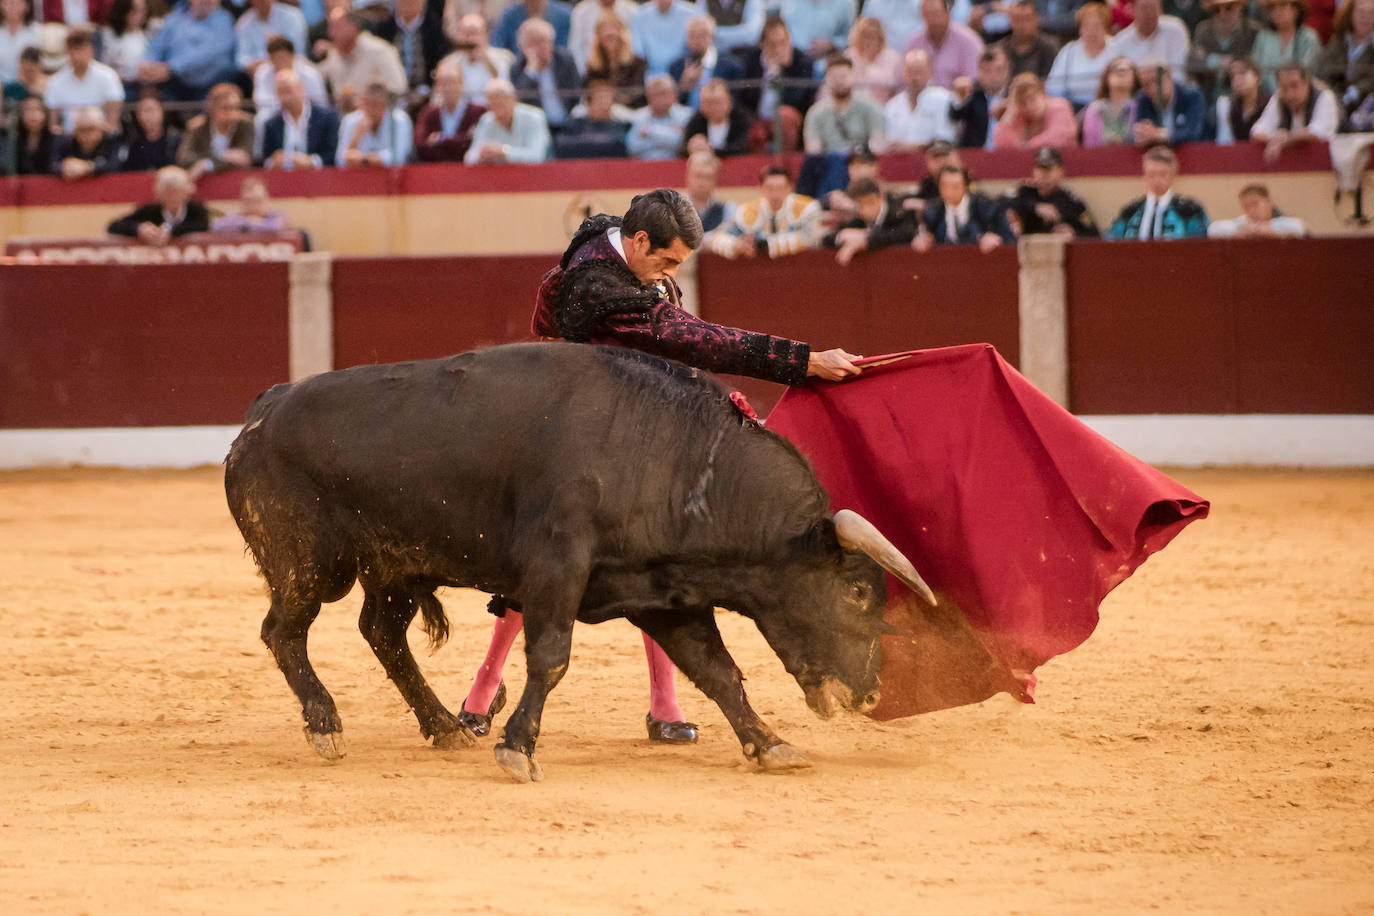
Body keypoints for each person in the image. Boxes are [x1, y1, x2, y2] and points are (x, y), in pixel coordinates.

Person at [456, 187, 864, 745]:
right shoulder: (594, 285)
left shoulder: (624, 248)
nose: (668, 273)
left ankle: (665, 704)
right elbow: (687, 337)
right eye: (666, 261)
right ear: (639, 240)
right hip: (565, 437)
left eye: (678, 265)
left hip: (628, 433)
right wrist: (801, 360)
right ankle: (484, 686)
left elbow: (679, 333)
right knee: (546, 559)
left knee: (661, 555)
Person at [709, 163, 825, 258]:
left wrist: (765, 245)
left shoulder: (807, 209)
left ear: (790, 188)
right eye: (770, 188)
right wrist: (736, 245)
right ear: (761, 189)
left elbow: (810, 238)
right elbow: (716, 237)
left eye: (780, 188)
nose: (775, 194)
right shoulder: (748, 211)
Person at [738, 15, 817, 152]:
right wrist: (769, 73)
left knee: (784, 116)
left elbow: (796, 100)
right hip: (757, 116)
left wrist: (781, 72)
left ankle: (785, 164)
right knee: (750, 126)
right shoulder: (752, 59)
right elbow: (745, 96)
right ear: (763, 44)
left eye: (783, 42)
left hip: (786, 117)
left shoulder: (802, 61)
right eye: (773, 44)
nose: (778, 48)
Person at [137, 0, 238, 102]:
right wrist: (148, 65)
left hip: (212, 84)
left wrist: (171, 67)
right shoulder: (173, 19)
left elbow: (209, 53)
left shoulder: (224, 20)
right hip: (175, 83)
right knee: (145, 89)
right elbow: (156, 46)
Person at [1105, 145, 1209, 239]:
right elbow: (1111, 242)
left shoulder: (1189, 211)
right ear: (1145, 175)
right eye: (1151, 174)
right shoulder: (1130, 212)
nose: (1156, 180)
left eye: (1163, 174)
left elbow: (1199, 245)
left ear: (1173, 176)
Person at [318, 9, 409, 111]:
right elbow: (315, 75)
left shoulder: (380, 51)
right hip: (344, 120)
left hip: (378, 118)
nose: (331, 34)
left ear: (353, 27)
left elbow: (398, 88)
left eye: (336, 27)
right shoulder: (334, 55)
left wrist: (368, 101)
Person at [1250, 61, 1341, 159]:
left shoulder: (1324, 97)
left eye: (1294, 86)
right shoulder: (1278, 99)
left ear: (1306, 83)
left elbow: (1318, 132)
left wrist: (1288, 137)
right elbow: (1257, 131)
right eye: (1284, 88)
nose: (1290, 94)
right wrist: (1273, 139)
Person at [913, 163, 1014, 251]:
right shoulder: (932, 212)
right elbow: (923, 237)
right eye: (945, 186)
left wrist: (997, 239)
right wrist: (921, 241)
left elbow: (1010, 239)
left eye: (955, 186)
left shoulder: (987, 207)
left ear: (965, 187)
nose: (949, 191)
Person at [1002, 146, 1099, 237]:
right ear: (1034, 171)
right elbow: (1001, 204)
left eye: (1049, 168)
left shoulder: (1070, 201)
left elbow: (1094, 234)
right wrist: (1035, 206)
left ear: (1061, 172)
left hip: (1057, 251)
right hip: (1026, 249)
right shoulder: (1025, 192)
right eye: (1040, 168)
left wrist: (1074, 233)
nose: (1044, 173)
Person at [44, 27, 124, 133]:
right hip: (69, 138)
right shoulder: (56, 81)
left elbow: (112, 123)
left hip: (100, 135)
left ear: (91, 50)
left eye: (81, 50)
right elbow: (53, 124)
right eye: (73, 51)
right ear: (68, 52)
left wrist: (88, 126)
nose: (77, 56)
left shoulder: (109, 76)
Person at [803, 53, 886, 154]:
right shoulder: (816, 112)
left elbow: (879, 145)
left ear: (853, 76)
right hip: (829, 165)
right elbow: (813, 150)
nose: (839, 81)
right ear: (826, 79)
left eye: (843, 76)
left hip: (862, 163)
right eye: (834, 77)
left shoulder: (870, 108)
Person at [107, 165, 211, 244]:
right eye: (167, 192)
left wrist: (172, 233)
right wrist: (139, 229)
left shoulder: (197, 209)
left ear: (186, 193)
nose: (173, 197)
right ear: (159, 194)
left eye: (177, 192)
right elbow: (113, 226)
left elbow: (202, 226)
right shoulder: (150, 210)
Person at [830, 176, 921, 265]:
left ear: (881, 197)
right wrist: (842, 236)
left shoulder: (899, 211)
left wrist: (866, 239)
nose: (865, 210)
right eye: (860, 205)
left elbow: (904, 233)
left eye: (869, 202)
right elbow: (827, 239)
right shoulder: (858, 218)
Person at [510, 16, 580, 130]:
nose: (541, 47)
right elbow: (518, 101)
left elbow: (576, 94)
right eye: (534, 43)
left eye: (544, 41)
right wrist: (531, 71)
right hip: (536, 129)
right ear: (523, 47)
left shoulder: (565, 61)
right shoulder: (519, 67)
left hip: (567, 126)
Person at [261, 68, 341, 167]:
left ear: (301, 89)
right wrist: (274, 162)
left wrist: (311, 162)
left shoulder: (327, 118)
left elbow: (333, 155)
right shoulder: (272, 124)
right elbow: (265, 160)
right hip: (284, 178)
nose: (286, 97)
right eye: (280, 92)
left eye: (288, 91)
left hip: (319, 177)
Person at [176, 82, 255, 181]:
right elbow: (184, 158)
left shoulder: (246, 124)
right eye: (226, 108)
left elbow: (245, 158)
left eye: (236, 108)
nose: (232, 114)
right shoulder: (197, 126)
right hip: (204, 183)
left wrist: (208, 164)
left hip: (237, 180)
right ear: (212, 108)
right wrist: (223, 157)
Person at [882, 48, 958, 150]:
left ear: (930, 73)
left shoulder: (944, 99)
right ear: (904, 74)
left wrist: (912, 147)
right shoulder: (893, 105)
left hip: (932, 160)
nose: (915, 78)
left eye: (919, 72)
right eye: (910, 72)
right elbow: (886, 142)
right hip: (899, 161)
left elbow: (945, 141)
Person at [373, 0, 452, 97]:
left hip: (426, 92)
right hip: (392, 92)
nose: (408, 4)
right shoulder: (384, 29)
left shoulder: (435, 29)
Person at [1187, 0, 1263, 99]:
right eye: (1216, 10)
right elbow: (1194, 62)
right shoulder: (1203, 30)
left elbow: (1255, 64)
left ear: (1239, 8)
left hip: (1243, 96)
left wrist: (1232, 63)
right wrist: (1217, 61)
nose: (1222, 14)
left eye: (1229, 8)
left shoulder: (1252, 30)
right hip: (1209, 95)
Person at [465, 76, 553, 162]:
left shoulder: (534, 117)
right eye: (493, 101)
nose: (498, 105)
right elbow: (469, 158)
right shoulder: (487, 120)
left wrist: (504, 151)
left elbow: (536, 156)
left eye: (502, 99)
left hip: (534, 174)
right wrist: (481, 154)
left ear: (513, 99)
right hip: (499, 174)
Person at [412, 58, 485, 161]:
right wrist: (460, 140)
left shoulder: (478, 112)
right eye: (443, 83)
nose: (448, 88)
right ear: (437, 86)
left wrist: (441, 139)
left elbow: (473, 144)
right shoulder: (428, 113)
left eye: (452, 82)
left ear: (461, 84)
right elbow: (421, 145)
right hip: (436, 172)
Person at [668, 14, 746, 109]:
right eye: (692, 35)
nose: (697, 40)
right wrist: (684, 85)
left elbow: (736, 102)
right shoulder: (676, 66)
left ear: (712, 37)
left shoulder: (732, 65)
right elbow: (672, 105)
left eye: (702, 35)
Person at [1045, 1, 1113, 109]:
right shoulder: (1069, 50)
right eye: (1087, 26)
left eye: (1097, 26)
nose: (1092, 31)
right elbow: (1053, 86)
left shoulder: (1115, 48)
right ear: (1080, 29)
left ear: (1106, 27)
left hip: (1107, 107)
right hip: (1072, 107)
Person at [1105, 0, 1190, 82]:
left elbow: (1180, 72)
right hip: (1137, 94)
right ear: (1133, 9)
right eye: (1144, 8)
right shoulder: (1121, 41)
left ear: (1160, 8)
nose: (1149, 13)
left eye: (1153, 8)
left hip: (1174, 91)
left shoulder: (1176, 30)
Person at [907, 0, 985, 89]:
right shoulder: (915, 43)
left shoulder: (968, 41)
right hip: (922, 99)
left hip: (959, 100)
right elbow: (904, 81)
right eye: (927, 15)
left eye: (936, 14)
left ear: (947, 13)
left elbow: (976, 81)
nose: (932, 20)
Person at [1131, 57, 1208, 144]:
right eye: (1145, 84)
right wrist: (1141, 134)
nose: (1152, 88)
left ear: (1169, 75)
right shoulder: (1143, 99)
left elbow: (1194, 134)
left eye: (1156, 81)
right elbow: (1134, 135)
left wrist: (1160, 135)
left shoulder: (1192, 95)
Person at [443, 13, 514, 105]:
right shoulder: (449, 63)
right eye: (465, 33)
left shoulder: (504, 58)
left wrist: (485, 61)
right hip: (464, 116)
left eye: (474, 33)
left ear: (485, 35)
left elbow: (506, 89)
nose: (469, 39)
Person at [992, 71, 1077, 148]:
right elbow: (1001, 145)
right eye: (1022, 102)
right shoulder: (1019, 114)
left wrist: (1027, 146)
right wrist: (1010, 111)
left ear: (1042, 93)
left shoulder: (1060, 106)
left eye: (1032, 99)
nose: (1029, 106)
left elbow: (1057, 138)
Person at [337, 81, 414, 166]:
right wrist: (356, 137)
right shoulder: (350, 121)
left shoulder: (399, 120)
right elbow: (341, 161)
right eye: (367, 104)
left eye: (376, 105)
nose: (371, 110)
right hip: (357, 177)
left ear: (385, 105)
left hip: (392, 177)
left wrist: (363, 160)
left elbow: (397, 158)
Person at [1251, 0, 1321, 92]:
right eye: (1273, 8)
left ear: (1296, 9)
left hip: (1298, 96)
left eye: (1283, 6)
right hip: (1265, 98)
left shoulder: (1308, 37)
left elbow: (1307, 73)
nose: (1277, 11)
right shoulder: (1263, 37)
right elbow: (1255, 70)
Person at [1317, 0, 1374, 112]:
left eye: (1371, 13)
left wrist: (1357, 90)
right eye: (1361, 12)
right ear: (1350, 14)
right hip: (1335, 101)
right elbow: (1325, 72)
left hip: (1366, 105)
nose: (1365, 17)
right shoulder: (1338, 41)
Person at [252, 36, 331, 116]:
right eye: (274, 59)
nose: (279, 63)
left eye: (282, 58)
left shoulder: (310, 75)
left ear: (292, 56)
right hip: (276, 119)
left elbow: (321, 104)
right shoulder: (262, 73)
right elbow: (261, 103)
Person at [236, 0, 310, 82]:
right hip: (257, 73)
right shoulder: (244, 23)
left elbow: (297, 50)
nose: (263, 2)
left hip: (292, 68)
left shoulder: (293, 16)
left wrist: (273, 59)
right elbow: (241, 58)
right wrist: (256, 64)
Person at [584, 10, 646, 106]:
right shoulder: (593, 66)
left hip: (630, 111)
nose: (610, 33)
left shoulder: (637, 63)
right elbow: (589, 95)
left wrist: (609, 97)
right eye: (604, 30)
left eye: (614, 29)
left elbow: (637, 95)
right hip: (601, 113)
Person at [951, 45, 1009, 147]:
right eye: (987, 70)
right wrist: (959, 99)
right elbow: (955, 115)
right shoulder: (973, 95)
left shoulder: (1014, 95)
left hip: (1008, 153)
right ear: (978, 72)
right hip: (976, 155)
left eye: (998, 69)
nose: (993, 75)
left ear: (1006, 70)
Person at [552, 78, 630, 156]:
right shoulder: (575, 126)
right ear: (589, 104)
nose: (605, 105)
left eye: (608, 99)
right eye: (600, 100)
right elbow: (560, 145)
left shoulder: (620, 127)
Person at [681, 75, 755, 156]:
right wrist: (691, 148)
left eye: (717, 102)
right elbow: (682, 148)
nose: (713, 108)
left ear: (729, 102)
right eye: (707, 103)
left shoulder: (742, 119)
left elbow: (744, 146)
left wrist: (711, 150)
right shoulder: (696, 121)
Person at [626, 73, 691, 158]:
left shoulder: (686, 115)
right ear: (648, 97)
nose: (660, 98)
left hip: (675, 167)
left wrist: (650, 133)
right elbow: (632, 147)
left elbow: (681, 145)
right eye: (655, 94)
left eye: (664, 93)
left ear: (674, 95)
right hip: (645, 167)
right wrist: (670, 134)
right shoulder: (638, 116)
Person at [1206, 182, 1307, 236]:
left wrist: (1256, 229)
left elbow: (1297, 227)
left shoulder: (1281, 221)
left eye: (1255, 204)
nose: (1251, 210)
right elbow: (1213, 229)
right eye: (1246, 206)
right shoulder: (1242, 223)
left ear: (1269, 202)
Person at [1082, 55, 1141, 146]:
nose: (1121, 71)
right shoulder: (1095, 108)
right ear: (1106, 78)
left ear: (1135, 77)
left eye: (1126, 70)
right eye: (1116, 69)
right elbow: (1090, 143)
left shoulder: (1142, 105)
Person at [843, 16, 904, 104]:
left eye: (872, 36)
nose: (868, 41)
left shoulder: (893, 58)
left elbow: (900, 90)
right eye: (864, 36)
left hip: (883, 108)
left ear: (880, 38)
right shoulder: (848, 57)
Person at [994, 0, 1059, 80]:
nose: (1021, 25)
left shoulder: (1049, 47)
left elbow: (1051, 82)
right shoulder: (1001, 48)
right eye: (1016, 19)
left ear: (1036, 18)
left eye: (1027, 19)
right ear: (1010, 20)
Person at [629, 0, 696, 77]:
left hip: (683, 73)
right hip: (648, 75)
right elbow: (637, 50)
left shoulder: (691, 13)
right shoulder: (640, 14)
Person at [568, 0, 637, 74]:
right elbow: (575, 48)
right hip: (591, 70)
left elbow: (636, 47)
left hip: (628, 70)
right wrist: (584, 75)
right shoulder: (581, 11)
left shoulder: (632, 10)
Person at [119, 91, 181, 171]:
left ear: (162, 112)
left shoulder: (176, 139)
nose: (145, 116)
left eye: (150, 110)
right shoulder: (133, 143)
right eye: (140, 112)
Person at [54, 105, 120, 180]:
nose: (87, 135)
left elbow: (115, 165)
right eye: (82, 130)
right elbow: (52, 165)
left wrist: (88, 167)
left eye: (91, 129)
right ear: (75, 131)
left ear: (101, 128)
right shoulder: (66, 141)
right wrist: (65, 167)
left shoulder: (111, 140)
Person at [1214, 56, 1271, 141]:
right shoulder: (1229, 107)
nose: (1237, 79)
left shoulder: (1270, 104)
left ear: (1257, 76)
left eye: (1242, 73)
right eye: (1233, 76)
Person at [779, 0, 857, 62]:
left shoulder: (845, 3)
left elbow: (852, 38)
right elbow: (781, 28)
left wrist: (833, 45)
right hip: (792, 64)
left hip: (827, 65)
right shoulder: (789, 2)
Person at [492, 0, 573, 55]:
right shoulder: (510, 15)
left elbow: (567, 50)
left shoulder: (564, 15)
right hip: (518, 72)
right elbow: (496, 46)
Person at [211, 176, 291, 231]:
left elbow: (276, 227)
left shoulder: (277, 217)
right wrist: (249, 221)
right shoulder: (234, 218)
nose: (253, 206)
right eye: (248, 201)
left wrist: (253, 223)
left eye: (257, 201)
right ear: (241, 201)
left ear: (267, 200)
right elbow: (216, 226)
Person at [683, 149, 734, 233]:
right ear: (687, 177)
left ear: (715, 181)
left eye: (707, 177)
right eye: (698, 176)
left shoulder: (726, 209)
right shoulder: (673, 209)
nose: (702, 183)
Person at [11, 94, 55, 174]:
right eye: (28, 110)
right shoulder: (13, 142)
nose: (33, 115)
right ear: (21, 115)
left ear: (45, 113)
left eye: (37, 110)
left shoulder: (56, 140)